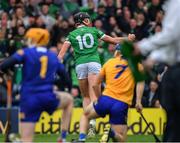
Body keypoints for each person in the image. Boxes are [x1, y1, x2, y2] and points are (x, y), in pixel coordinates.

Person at [58, 12, 135, 136]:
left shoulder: (71, 35)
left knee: (86, 97)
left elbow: (60, 55)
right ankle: (93, 124)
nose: (90, 21)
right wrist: (128, 39)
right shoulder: (94, 31)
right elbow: (114, 40)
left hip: (80, 65)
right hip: (94, 63)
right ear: (85, 21)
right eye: (88, 19)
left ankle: (87, 126)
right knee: (94, 95)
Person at [0, 28, 73, 143]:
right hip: (48, 96)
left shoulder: (26, 52)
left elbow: (5, 65)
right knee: (69, 100)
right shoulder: (53, 56)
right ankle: (63, 137)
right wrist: (67, 89)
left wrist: (7, 72)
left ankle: (17, 141)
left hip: (29, 98)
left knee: (27, 139)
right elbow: (66, 78)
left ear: (34, 40)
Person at [133, 0, 180, 141]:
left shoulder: (176, 4)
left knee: (174, 122)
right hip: (174, 66)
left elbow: (170, 35)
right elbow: (174, 43)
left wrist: (142, 47)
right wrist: (153, 58)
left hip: (177, 72)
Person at [77, 44, 144, 142]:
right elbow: (140, 83)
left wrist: (99, 99)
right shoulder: (137, 65)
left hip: (106, 99)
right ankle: (111, 133)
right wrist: (138, 101)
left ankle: (81, 139)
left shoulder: (109, 63)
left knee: (85, 115)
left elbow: (95, 84)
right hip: (121, 103)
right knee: (121, 139)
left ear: (118, 52)